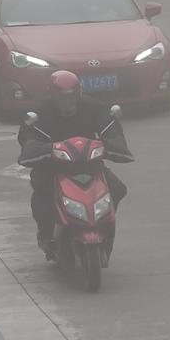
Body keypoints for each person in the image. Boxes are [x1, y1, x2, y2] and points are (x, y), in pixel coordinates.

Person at [19, 69, 129, 256]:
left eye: (71, 97)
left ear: (78, 94)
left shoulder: (93, 107)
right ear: (52, 96)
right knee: (42, 197)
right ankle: (46, 236)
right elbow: (27, 137)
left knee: (117, 188)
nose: (67, 102)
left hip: (89, 165)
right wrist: (40, 149)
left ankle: (105, 226)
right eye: (62, 98)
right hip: (52, 167)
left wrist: (113, 143)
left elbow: (110, 127)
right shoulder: (38, 113)